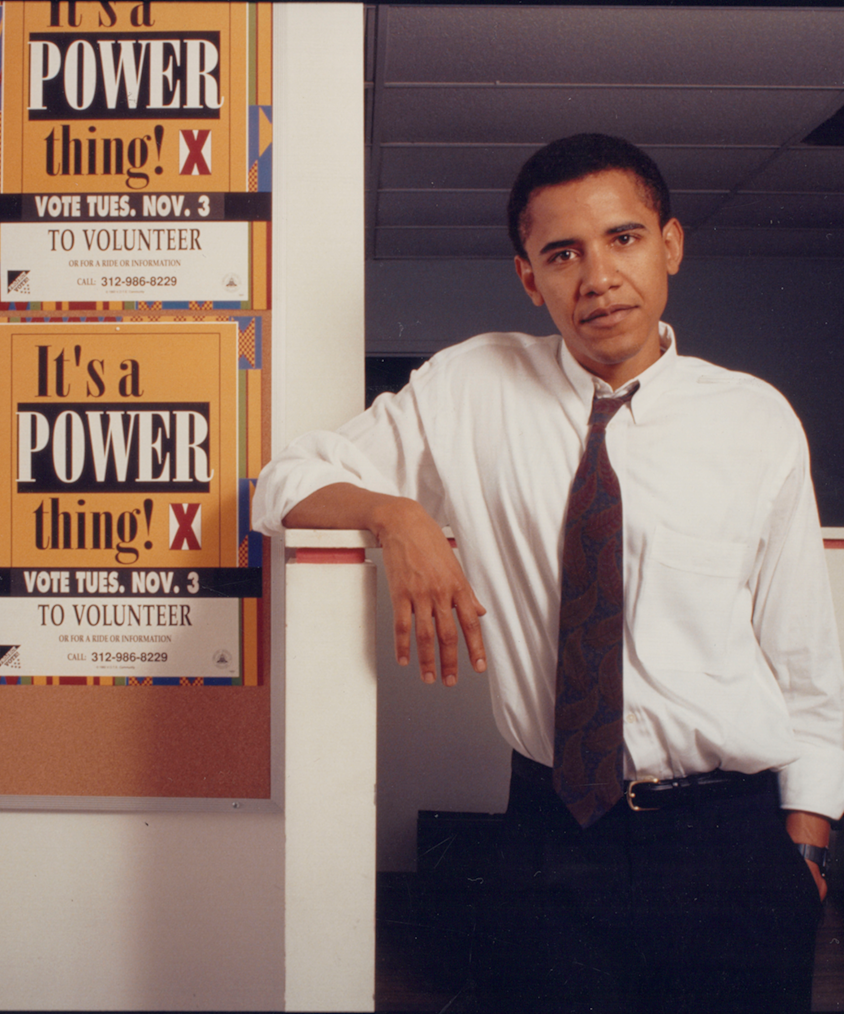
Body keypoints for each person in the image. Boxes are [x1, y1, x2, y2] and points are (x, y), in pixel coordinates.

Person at [252, 134, 844, 1013]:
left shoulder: (754, 420)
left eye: (624, 239)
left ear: (671, 244)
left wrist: (804, 849)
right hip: (549, 835)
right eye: (562, 253)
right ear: (530, 277)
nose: (597, 277)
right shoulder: (471, 385)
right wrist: (396, 513)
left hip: (729, 846)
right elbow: (282, 483)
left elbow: (805, 662)